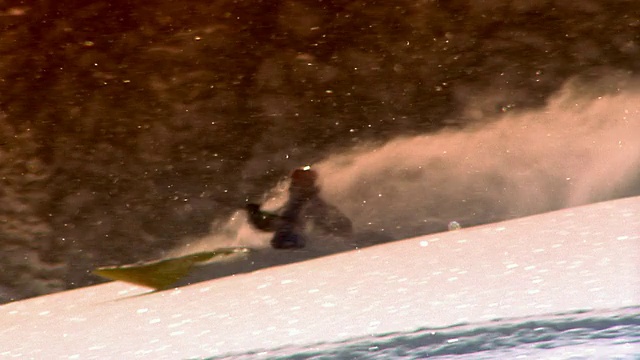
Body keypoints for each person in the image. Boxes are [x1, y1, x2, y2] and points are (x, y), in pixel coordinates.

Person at [246, 167, 352, 249]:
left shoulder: (310, 203)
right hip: (292, 245)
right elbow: (275, 222)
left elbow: (284, 223)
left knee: (286, 229)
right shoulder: (294, 202)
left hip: (298, 247)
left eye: (299, 183)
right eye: (294, 182)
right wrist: (256, 215)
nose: (294, 185)